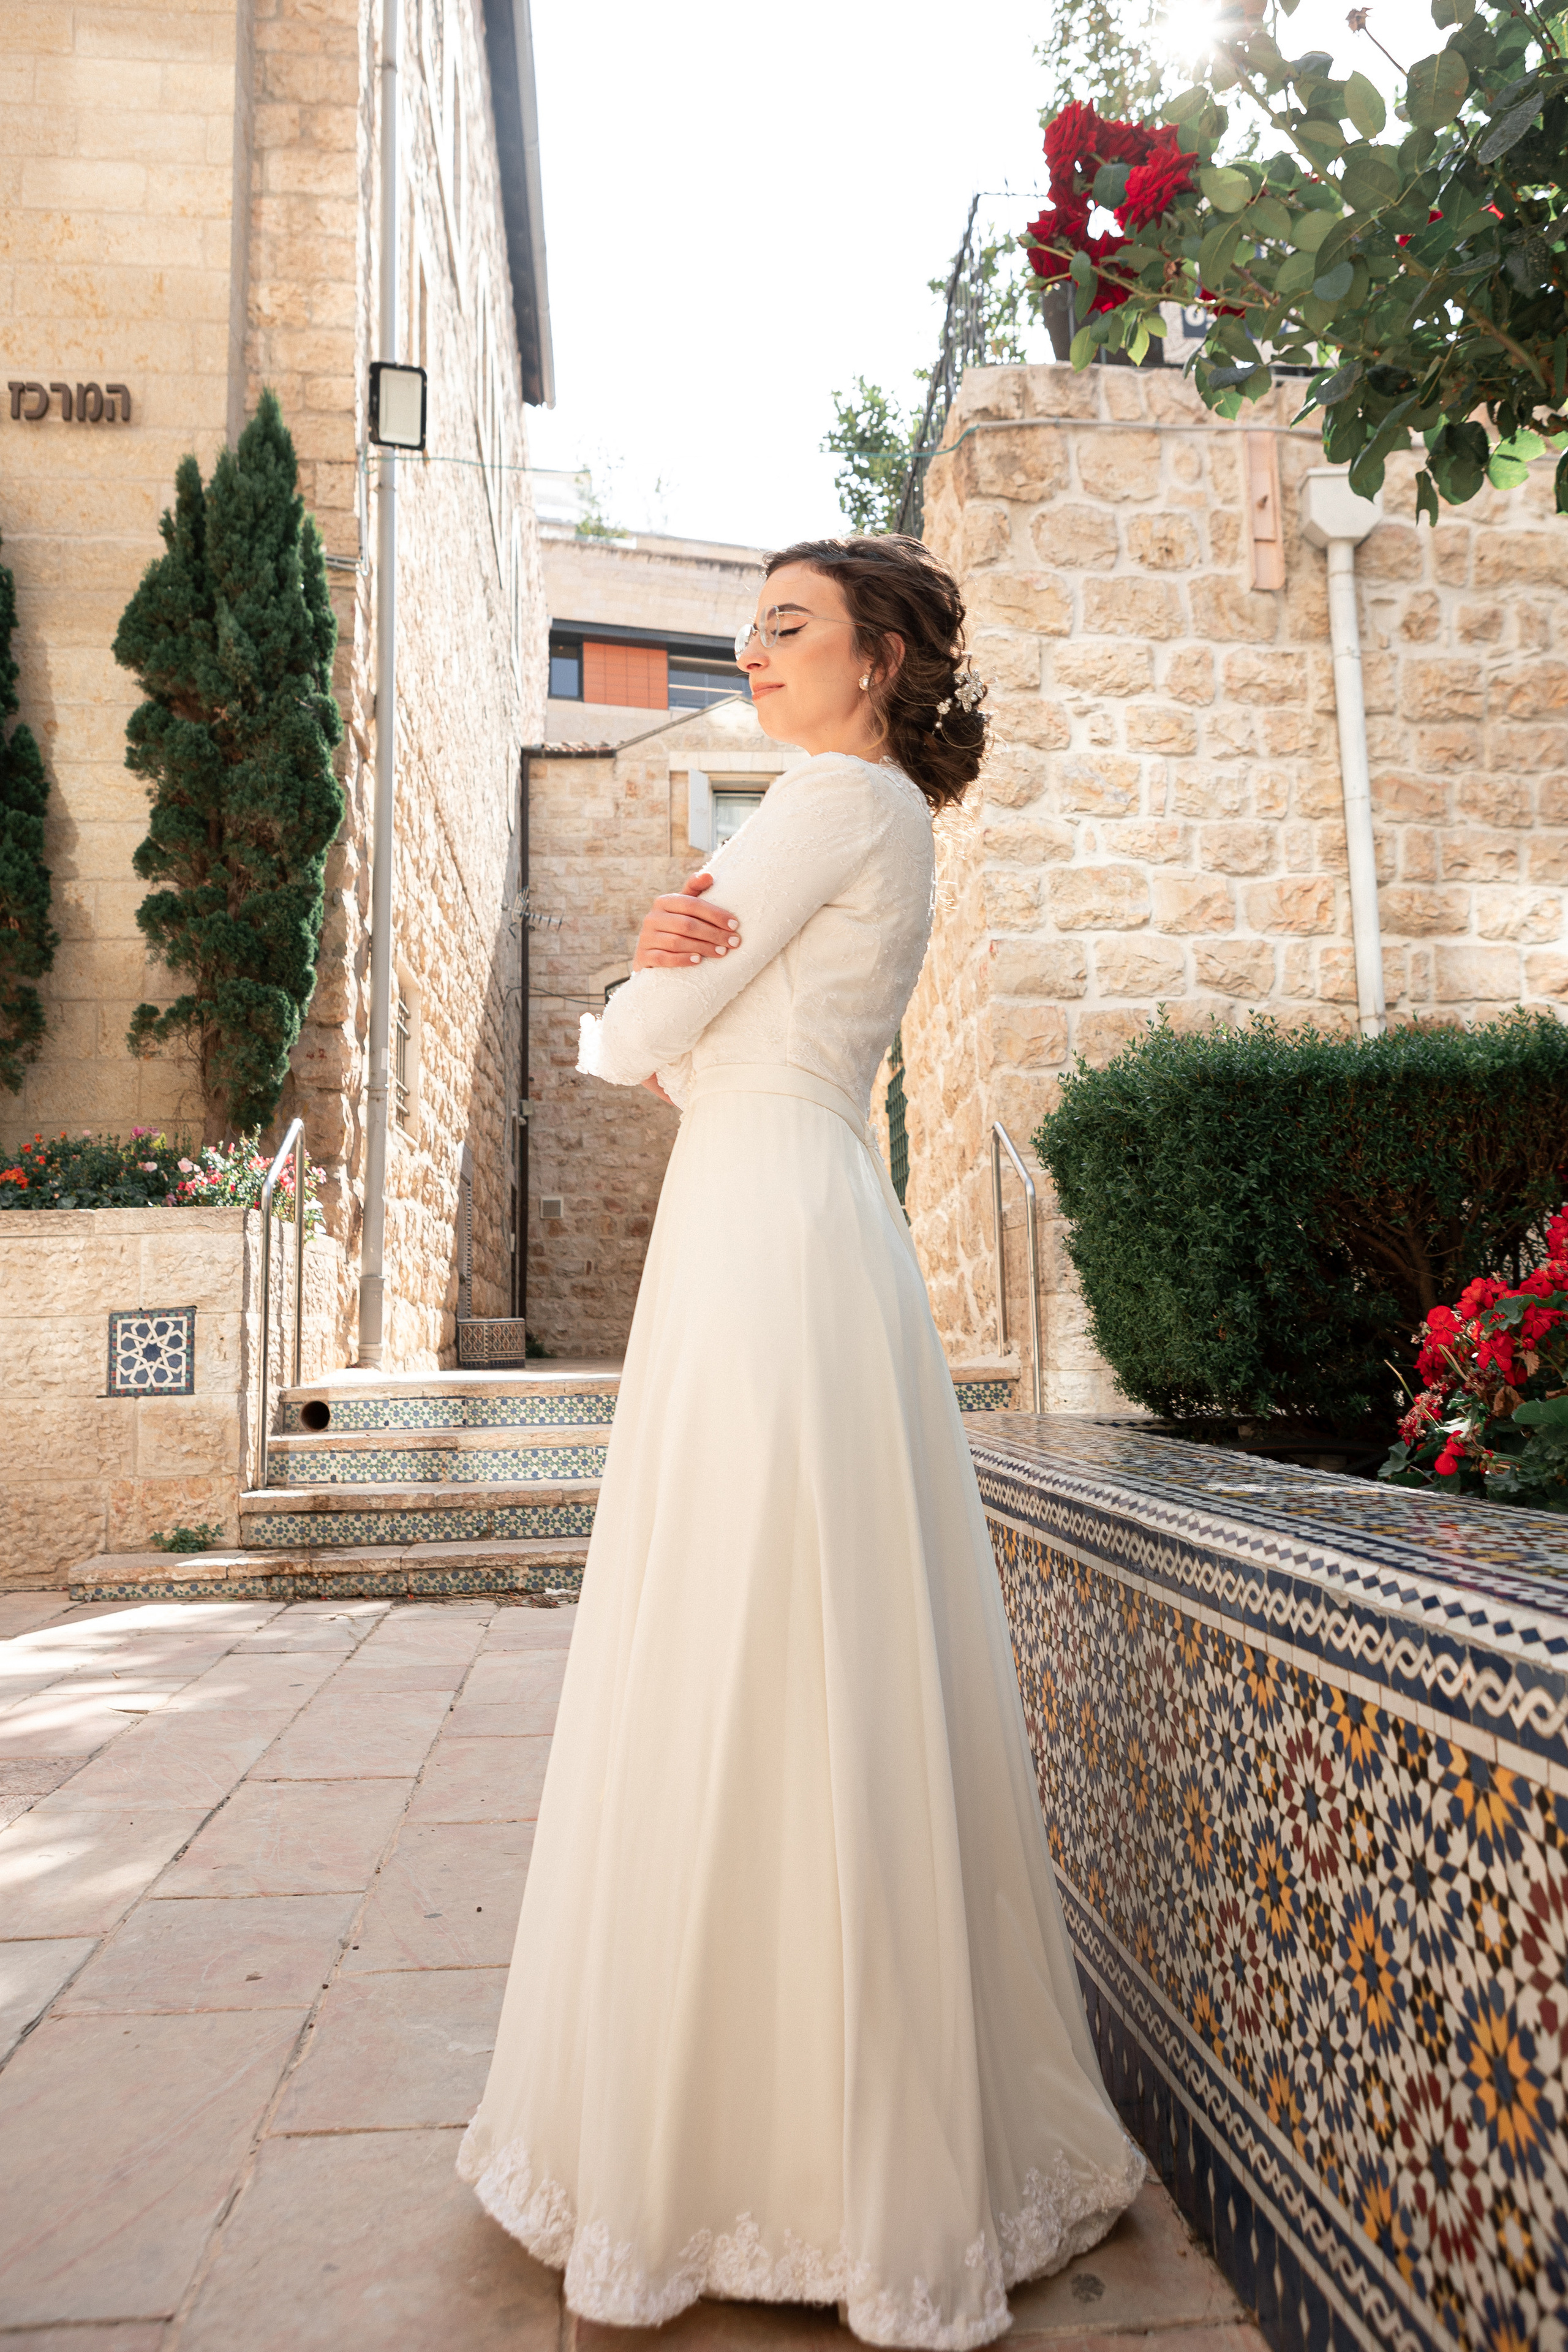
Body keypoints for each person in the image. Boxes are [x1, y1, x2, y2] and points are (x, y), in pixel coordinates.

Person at [458, 535, 1143, 2347]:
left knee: (739, 1637)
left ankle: (749, 2157)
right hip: (803, 1207)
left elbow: (638, 1049)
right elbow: (690, 1049)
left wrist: (632, 981)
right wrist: (655, 995)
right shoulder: (880, 820)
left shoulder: (824, 804)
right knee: (814, 1641)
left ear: (884, 658)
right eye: (744, 628)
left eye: (787, 625)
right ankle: (837, 2140)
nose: (749, 653)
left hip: (761, 1235)